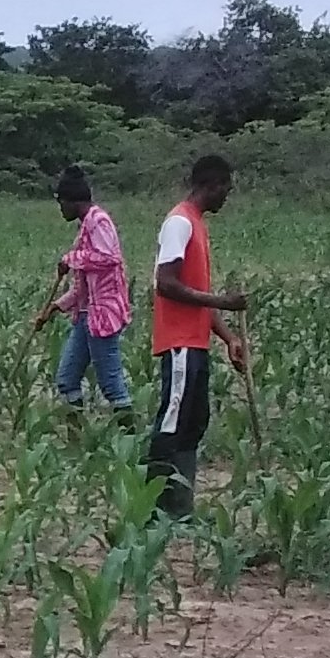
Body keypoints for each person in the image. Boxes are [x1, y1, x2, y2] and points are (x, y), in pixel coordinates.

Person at [144, 155, 249, 516]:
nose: (227, 197)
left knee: (193, 423)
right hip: (179, 344)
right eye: (226, 189)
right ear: (213, 185)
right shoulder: (179, 222)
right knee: (171, 425)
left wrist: (228, 336)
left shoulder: (198, 225)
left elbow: (197, 294)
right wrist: (222, 300)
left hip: (196, 343)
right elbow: (166, 284)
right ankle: (152, 510)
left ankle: (180, 509)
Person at [31, 166, 129, 411]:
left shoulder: (99, 221)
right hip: (85, 316)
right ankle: (77, 442)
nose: (61, 209)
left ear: (71, 201)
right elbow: (83, 287)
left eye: (61, 203)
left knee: (111, 384)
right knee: (67, 380)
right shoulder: (85, 227)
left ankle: (130, 443)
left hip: (103, 315)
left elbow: (109, 258)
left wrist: (70, 259)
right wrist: (55, 307)